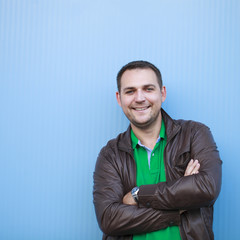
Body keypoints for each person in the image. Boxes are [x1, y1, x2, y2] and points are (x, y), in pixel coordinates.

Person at [93, 60, 222, 240]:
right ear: (119, 98)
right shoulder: (110, 155)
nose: (139, 98)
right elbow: (109, 219)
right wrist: (179, 207)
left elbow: (207, 188)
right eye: (130, 91)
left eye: (148, 89)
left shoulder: (194, 135)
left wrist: (137, 195)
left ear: (162, 93)